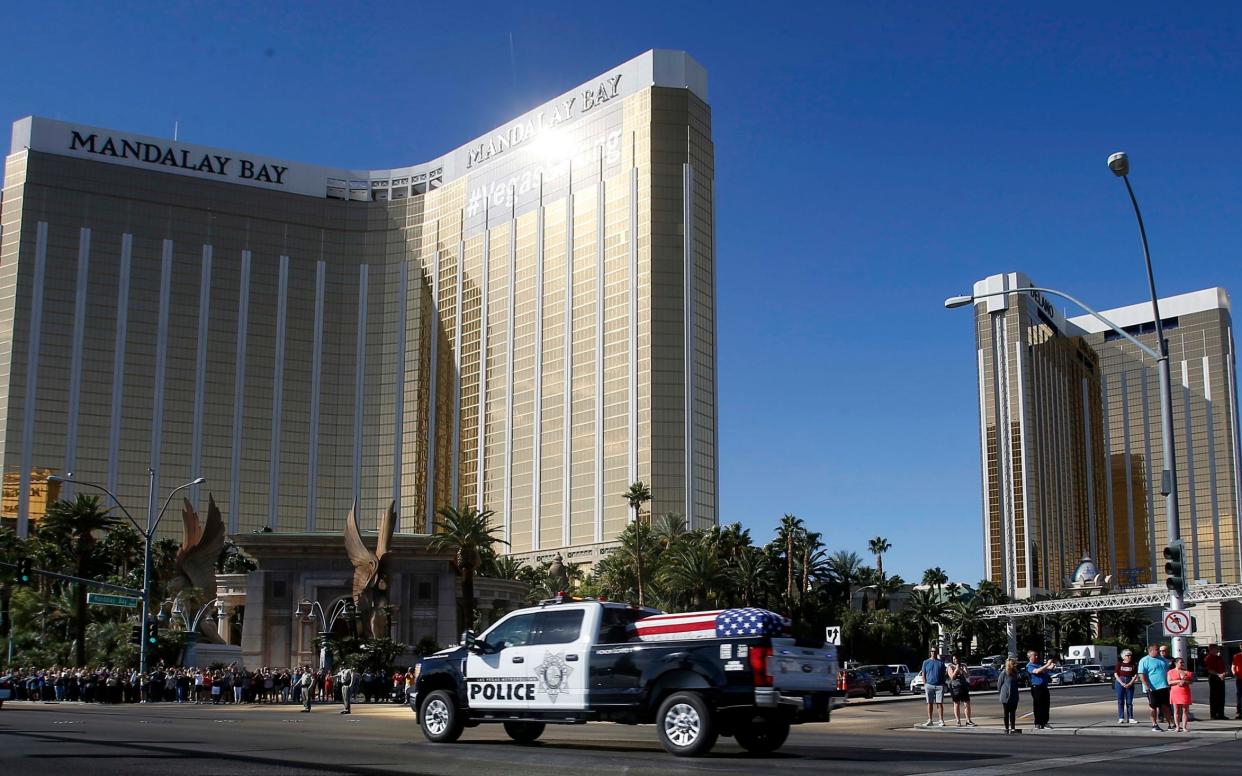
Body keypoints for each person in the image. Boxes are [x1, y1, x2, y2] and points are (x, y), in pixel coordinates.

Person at [1138, 643, 1172, 732]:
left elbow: (1167, 672)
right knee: (1153, 707)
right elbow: (1141, 675)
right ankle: (1154, 724)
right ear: (1151, 650)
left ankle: (1170, 724)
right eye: (1157, 650)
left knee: (1166, 706)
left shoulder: (1162, 660)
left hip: (1164, 687)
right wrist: (1146, 686)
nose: (1159, 651)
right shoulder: (1144, 660)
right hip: (1152, 688)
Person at [1025, 650, 1056, 729]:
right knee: (1038, 705)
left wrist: (1051, 663)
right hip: (1036, 687)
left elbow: (1049, 668)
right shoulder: (1030, 666)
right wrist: (1047, 664)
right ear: (1030, 657)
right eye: (1034, 655)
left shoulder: (1040, 664)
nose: (1036, 657)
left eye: (1037, 655)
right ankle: (1038, 722)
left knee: (1046, 704)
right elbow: (1038, 671)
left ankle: (1045, 722)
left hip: (1044, 686)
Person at [918, 647, 948, 727]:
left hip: (939, 685)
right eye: (932, 651)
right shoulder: (926, 662)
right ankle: (930, 720)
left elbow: (944, 674)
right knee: (929, 703)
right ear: (930, 652)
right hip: (929, 685)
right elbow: (923, 674)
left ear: (937, 652)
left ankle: (941, 720)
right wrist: (925, 684)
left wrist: (943, 683)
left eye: (935, 651)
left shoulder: (941, 663)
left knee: (939, 703)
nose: (933, 653)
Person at [946, 655, 975, 727]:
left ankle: (968, 720)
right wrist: (956, 670)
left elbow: (967, 675)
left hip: (963, 686)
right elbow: (952, 677)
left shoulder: (963, 665)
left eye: (956, 658)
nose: (955, 660)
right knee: (956, 704)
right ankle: (958, 721)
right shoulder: (950, 666)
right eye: (954, 659)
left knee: (967, 703)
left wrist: (962, 670)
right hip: (955, 687)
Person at [1167, 657, 1194, 732]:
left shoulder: (1187, 672)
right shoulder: (1170, 672)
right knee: (1176, 710)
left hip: (1185, 692)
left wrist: (1185, 682)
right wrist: (1179, 681)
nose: (1182, 664)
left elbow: (1191, 681)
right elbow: (1169, 682)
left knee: (1185, 710)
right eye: (1180, 662)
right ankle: (1177, 726)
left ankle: (1184, 727)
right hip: (1175, 692)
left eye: (1182, 662)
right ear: (1176, 663)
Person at [1114, 649, 1139, 724]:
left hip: (1129, 682)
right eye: (1127, 655)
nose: (1129, 657)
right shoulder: (1119, 664)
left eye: (1130, 655)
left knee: (1129, 701)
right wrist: (1121, 683)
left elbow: (1135, 674)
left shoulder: (1133, 664)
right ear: (1123, 657)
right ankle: (1121, 717)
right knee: (1120, 701)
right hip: (1120, 682)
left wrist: (1131, 683)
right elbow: (1116, 674)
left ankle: (1130, 718)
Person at [1204, 644, 1228, 720]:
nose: (1218, 650)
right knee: (1214, 696)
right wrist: (1218, 674)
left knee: (1221, 696)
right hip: (1214, 677)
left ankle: (1221, 713)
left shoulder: (1219, 658)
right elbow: (1209, 669)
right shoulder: (1208, 658)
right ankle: (1213, 714)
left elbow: (1224, 667)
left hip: (1221, 677)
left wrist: (1224, 673)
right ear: (1211, 650)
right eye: (1216, 649)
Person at [998, 657, 1021, 734]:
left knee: (1013, 713)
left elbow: (1018, 682)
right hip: (1006, 696)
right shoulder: (1004, 673)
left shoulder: (1015, 673)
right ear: (1009, 664)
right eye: (1013, 664)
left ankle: (1013, 728)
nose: (1015, 665)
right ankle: (1006, 728)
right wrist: (1002, 693)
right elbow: (999, 684)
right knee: (1006, 713)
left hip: (1014, 696)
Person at [1232, 647, 1242, 720]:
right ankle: (1239, 712)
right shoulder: (1236, 656)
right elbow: (1233, 666)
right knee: (1239, 696)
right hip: (1240, 678)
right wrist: (1234, 673)